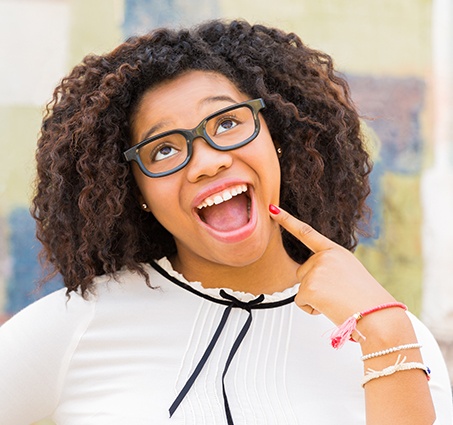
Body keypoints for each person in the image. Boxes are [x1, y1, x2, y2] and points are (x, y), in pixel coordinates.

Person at [0, 19, 452, 425]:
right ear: (135, 192)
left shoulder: (391, 331)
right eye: (163, 149)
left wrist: (387, 331)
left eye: (228, 122)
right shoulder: (80, 324)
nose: (207, 162)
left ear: (277, 139)